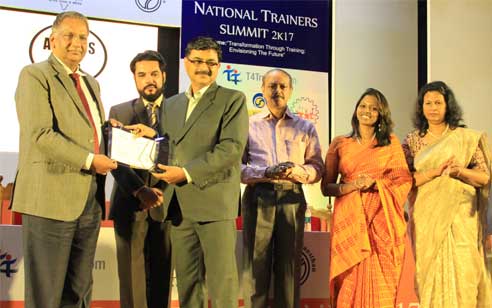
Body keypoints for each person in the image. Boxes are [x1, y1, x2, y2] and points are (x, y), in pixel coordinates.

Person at [128, 36, 249, 308]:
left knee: (222, 285)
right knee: (187, 284)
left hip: (215, 206)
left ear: (219, 67)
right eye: (197, 61)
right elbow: (169, 144)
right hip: (179, 207)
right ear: (186, 63)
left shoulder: (233, 100)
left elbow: (231, 149)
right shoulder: (171, 104)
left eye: (210, 63)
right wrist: (151, 136)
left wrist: (185, 173)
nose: (203, 67)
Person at [11, 11, 117, 308]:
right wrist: (89, 160)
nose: (77, 43)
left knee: (79, 292)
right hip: (49, 199)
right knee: (46, 294)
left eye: (83, 37)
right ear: (52, 40)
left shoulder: (90, 83)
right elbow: (41, 134)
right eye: (69, 35)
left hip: (89, 198)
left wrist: (116, 133)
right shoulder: (34, 75)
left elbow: (90, 132)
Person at [402, 81, 492, 307]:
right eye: (428, 103)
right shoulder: (412, 140)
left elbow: (484, 177)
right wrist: (435, 172)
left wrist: (460, 171)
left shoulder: (465, 137)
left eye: (438, 103)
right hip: (427, 217)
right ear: (421, 107)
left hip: (461, 217)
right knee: (429, 273)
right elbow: (404, 180)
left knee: (464, 271)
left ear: (447, 105)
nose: (433, 107)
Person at [321, 88, 412, 308]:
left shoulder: (390, 144)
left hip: (380, 221)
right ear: (355, 110)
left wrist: (377, 184)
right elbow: (326, 187)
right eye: (363, 106)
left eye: (373, 108)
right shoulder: (340, 143)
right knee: (349, 279)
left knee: (382, 281)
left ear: (381, 114)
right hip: (349, 221)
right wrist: (352, 186)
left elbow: (403, 181)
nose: (367, 111)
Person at [240, 68, 324, 308]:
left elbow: (317, 167)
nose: (277, 91)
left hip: (292, 196)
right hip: (259, 197)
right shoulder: (248, 124)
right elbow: (236, 168)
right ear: (263, 90)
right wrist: (266, 172)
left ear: (290, 91)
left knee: (289, 269)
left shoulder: (305, 127)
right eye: (272, 86)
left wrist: (297, 171)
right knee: (256, 268)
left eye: (282, 86)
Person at [109, 50, 172, 308]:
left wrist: (159, 192)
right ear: (134, 78)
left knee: (162, 278)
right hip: (130, 202)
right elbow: (115, 160)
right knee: (131, 280)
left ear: (164, 76)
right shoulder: (119, 111)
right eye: (142, 74)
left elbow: (183, 150)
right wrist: (140, 190)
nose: (149, 80)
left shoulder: (178, 111)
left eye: (154, 74)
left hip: (166, 202)